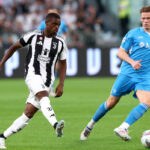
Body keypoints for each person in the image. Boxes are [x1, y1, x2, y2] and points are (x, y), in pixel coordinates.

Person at [80, 5, 150, 141]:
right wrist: (132, 62)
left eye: (148, 18)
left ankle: (123, 127)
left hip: (144, 77)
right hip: (127, 74)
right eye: (143, 18)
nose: (146, 21)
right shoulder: (134, 33)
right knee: (111, 103)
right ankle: (90, 126)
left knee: (147, 102)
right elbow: (120, 52)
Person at [0, 13, 68, 149]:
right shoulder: (33, 36)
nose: (57, 28)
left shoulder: (60, 42)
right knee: (43, 95)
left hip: (48, 81)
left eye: (59, 25)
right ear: (46, 23)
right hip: (32, 75)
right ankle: (55, 125)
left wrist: (61, 84)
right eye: (54, 24)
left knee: (28, 114)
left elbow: (63, 62)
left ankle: (2, 137)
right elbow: (14, 47)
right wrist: (1, 63)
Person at [38, 8, 68, 96]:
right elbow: (39, 32)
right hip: (47, 46)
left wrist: (64, 38)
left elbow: (66, 32)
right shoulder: (44, 23)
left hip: (57, 46)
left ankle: (50, 86)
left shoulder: (62, 23)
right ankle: (42, 85)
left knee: (55, 66)